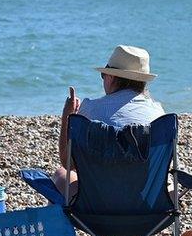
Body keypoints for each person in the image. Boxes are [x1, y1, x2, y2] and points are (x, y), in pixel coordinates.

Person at [54, 45, 164, 198]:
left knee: (61, 174)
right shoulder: (158, 115)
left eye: (103, 75)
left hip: (95, 205)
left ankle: (63, 222)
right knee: (168, 180)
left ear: (111, 77)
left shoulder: (91, 110)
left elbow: (68, 162)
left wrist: (67, 117)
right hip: (146, 207)